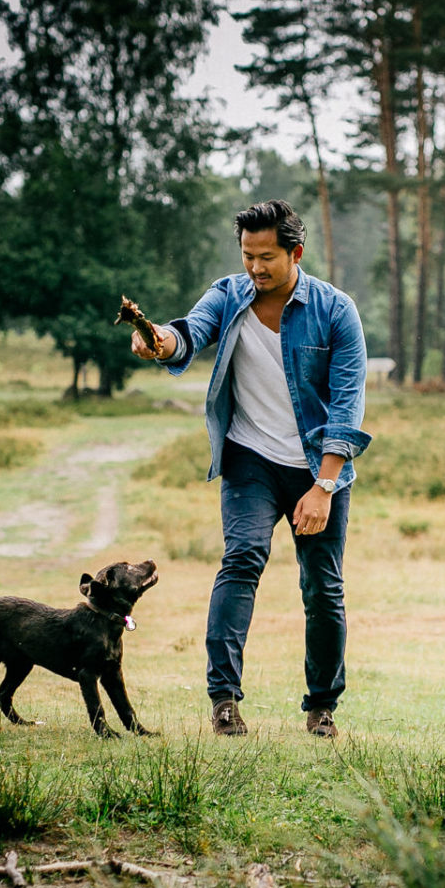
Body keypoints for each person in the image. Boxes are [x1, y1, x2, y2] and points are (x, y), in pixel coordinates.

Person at [130, 199, 371, 738]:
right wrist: (158, 341)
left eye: (266, 257)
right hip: (249, 457)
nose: (255, 268)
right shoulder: (229, 295)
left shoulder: (336, 311)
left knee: (322, 586)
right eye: (247, 255)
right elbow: (187, 334)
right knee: (241, 559)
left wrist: (324, 485)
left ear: (295, 253)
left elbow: (347, 404)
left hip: (316, 465)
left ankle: (322, 706)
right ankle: (224, 700)